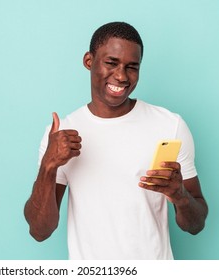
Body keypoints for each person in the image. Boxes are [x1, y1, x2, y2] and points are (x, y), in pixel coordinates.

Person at [24, 21, 208, 260]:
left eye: (132, 67)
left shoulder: (170, 125)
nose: (121, 76)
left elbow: (196, 224)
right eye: (111, 63)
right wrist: (49, 165)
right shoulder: (61, 134)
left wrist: (180, 195)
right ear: (89, 61)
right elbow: (40, 231)